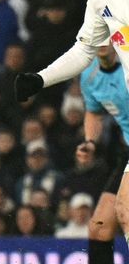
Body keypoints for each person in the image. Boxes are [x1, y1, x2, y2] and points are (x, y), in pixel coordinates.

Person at [77, 44, 129, 263]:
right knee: (100, 228)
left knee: (125, 212)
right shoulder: (90, 76)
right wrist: (90, 141)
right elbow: (93, 112)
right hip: (126, 152)